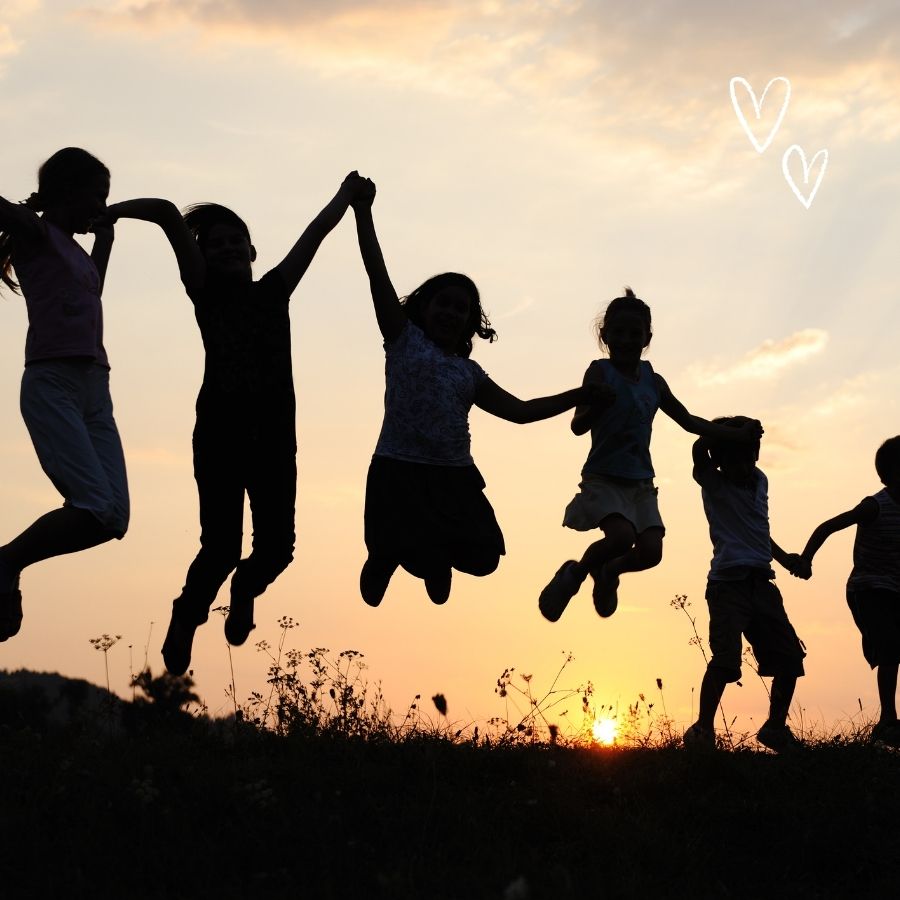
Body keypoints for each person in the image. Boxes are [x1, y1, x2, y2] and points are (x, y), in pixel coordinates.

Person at [105, 172, 367, 674]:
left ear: (252, 251)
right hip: (220, 437)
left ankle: (245, 588)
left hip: (274, 441)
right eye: (215, 243)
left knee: (277, 549)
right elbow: (165, 212)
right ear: (202, 257)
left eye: (235, 241)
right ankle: (188, 613)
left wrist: (345, 195)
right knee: (220, 548)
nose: (226, 248)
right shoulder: (204, 292)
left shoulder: (275, 290)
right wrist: (109, 212)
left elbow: (315, 234)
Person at [351, 178, 605, 607]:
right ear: (423, 307)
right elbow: (376, 272)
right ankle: (387, 556)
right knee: (388, 545)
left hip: (452, 475)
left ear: (471, 322)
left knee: (486, 557)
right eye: (443, 303)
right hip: (398, 467)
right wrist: (362, 212)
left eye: (461, 308)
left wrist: (581, 395)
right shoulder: (403, 338)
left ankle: (431, 557)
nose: (451, 312)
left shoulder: (468, 373)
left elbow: (521, 411)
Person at [538, 287, 762, 623]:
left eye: (635, 333)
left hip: (641, 483)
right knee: (621, 538)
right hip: (605, 478)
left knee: (651, 554)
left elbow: (688, 421)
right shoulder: (599, 373)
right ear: (605, 335)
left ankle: (609, 571)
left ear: (647, 338)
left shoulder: (653, 382)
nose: (626, 340)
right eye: (618, 332)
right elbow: (577, 426)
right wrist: (595, 405)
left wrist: (735, 435)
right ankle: (576, 574)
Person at [0, 147, 128, 641]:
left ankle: (6, 564)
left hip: (96, 387)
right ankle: (6, 563)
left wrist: (106, 242)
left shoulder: (78, 254)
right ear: (65, 193)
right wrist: (32, 207)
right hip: (52, 383)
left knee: (113, 517)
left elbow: (89, 291)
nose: (101, 207)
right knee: (93, 505)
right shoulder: (36, 233)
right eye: (97, 197)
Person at [683, 417, 807, 752]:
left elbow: (758, 528)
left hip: (762, 583)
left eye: (749, 457)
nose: (743, 467)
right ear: (719, 461)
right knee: (725, 662)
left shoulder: (761, 480)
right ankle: (703, 729)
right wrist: (734, 432)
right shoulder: (714, 482)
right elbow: (698, 448)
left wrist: (784, 559)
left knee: (790, 658)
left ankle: (775, 727)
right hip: (728, 586)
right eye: (733, 461)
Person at [796, 436, 900, 746]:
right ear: (892, 473)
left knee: (894, 648)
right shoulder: (874, 506)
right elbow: (828, 526)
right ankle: (888, 719)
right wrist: (806, 559)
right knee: (890, 648)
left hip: (895, 590)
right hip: (868, 588)